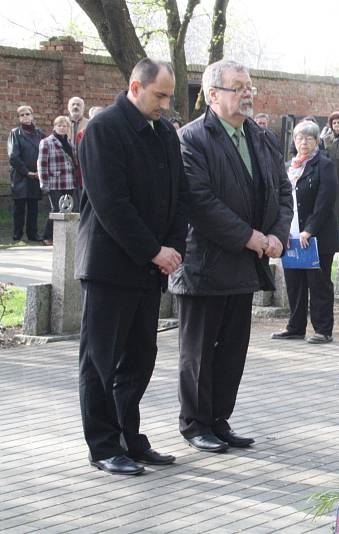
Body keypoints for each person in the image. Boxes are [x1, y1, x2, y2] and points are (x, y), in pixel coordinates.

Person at [169, 59, 293, 453]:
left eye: (249, 86)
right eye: (238, 87)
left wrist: (276, 234)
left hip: (245, 264)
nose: (247, 93)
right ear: (212, 94)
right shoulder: (192, 138)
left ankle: (219, 419)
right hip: (205, 264)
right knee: (200, 351)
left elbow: (283, 191)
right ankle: (194, 424)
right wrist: (250, 237)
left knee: (233, 348)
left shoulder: (260, 137)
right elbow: (201, 202)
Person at [75, 58, 189, 475]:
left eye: (168, 96)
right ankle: (104, 446)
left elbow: (179, 196)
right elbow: (111, 204)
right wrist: (153, 251)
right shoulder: (103, 129)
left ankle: (129, 436)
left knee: (140, 358)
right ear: (135, 87)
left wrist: (174, 247)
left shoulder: (164, 135)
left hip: (149, 268)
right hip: (110, 266)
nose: (165, 104)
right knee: (100, 361)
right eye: (159, 95)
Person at [272, 121, 339, 344]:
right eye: (300, 138)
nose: (303, 142)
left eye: (309, 138)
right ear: (294, 141)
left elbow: (326, 200)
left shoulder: (324, 165)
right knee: (294, 283)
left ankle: (323, 330)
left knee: (318, 283)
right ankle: (295, 327)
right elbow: (282, 198)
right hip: (291, 235)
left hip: (317, 237)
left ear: (317, 141)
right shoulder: (289, 166)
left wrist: (309, 230)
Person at [38, 116, 79, 244]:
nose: (62, 128)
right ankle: (47, 236)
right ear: (54, 127)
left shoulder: (70, 143)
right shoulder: (46, 142)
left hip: (69, 181)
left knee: (67, 210)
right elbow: (42, 163)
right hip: (54, 182)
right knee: (56, 209)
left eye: (65, 126)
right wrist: (44, 183)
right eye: (59, 125)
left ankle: (62, 237)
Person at [8, 105, 45, 242]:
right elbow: (13, 156)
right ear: (19, 118)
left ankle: (32, 234)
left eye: (27, 114)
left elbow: (44, 152)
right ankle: (17, 234)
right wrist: (27, 172)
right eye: (22, 115)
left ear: (32, 115)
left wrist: (39, 171)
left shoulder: (39, 133)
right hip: (20, 175)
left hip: (36, 174)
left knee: (33, 206)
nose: (25, 117)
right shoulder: (15, 133)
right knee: (19, 207)